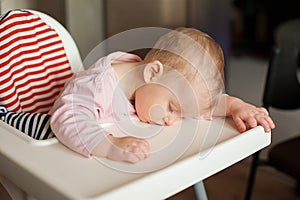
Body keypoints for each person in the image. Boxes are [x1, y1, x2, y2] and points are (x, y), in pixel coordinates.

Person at [49, 27, 275, 163]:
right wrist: (109, 146)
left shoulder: (153, 88)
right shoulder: (96, 86)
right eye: (172, 108)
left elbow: (196, 106)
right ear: (153, 72)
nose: (170, 120)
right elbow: (67, 117)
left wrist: (235, 106)